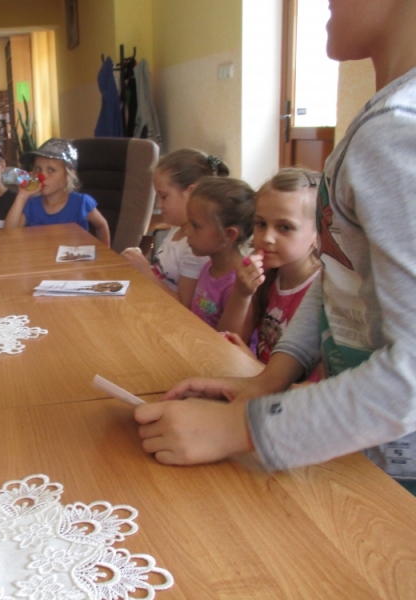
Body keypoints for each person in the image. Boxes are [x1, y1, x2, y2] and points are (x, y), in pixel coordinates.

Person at [134, 0, 416, 491]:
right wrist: (269, 382)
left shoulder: (396, 132)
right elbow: (342, 279)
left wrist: (236, 428)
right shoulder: (383, 119)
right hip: (359, 443)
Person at [219, 168, 321, 362]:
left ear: (318, 234)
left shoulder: (322, 291)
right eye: (261, 224)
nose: (267, 238)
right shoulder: (266, 275)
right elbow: (226, 341)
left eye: (285, 227)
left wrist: (255, 367)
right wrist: (241, 293)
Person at [122, 149, 229, 309]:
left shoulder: (194, 247)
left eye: (163, 196)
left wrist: (145, 271)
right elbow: (164, 276)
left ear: (190, 192)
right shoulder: (176, 229)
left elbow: (184, 306)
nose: (159, 205)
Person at [3, 138, 110, 246]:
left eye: (51, 170)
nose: (42, 176)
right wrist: (22, 196)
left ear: (68, 175)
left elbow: (101, 225)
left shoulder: (81, 203)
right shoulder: (32, 204)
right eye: (38, 169)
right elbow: (8, 234)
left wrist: (106, 252)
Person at [184, 177, 255, 330]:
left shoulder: (238, 285)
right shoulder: (209, 267)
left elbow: (230, 337)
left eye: (195, 225)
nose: (186, 231)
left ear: (229, 235)